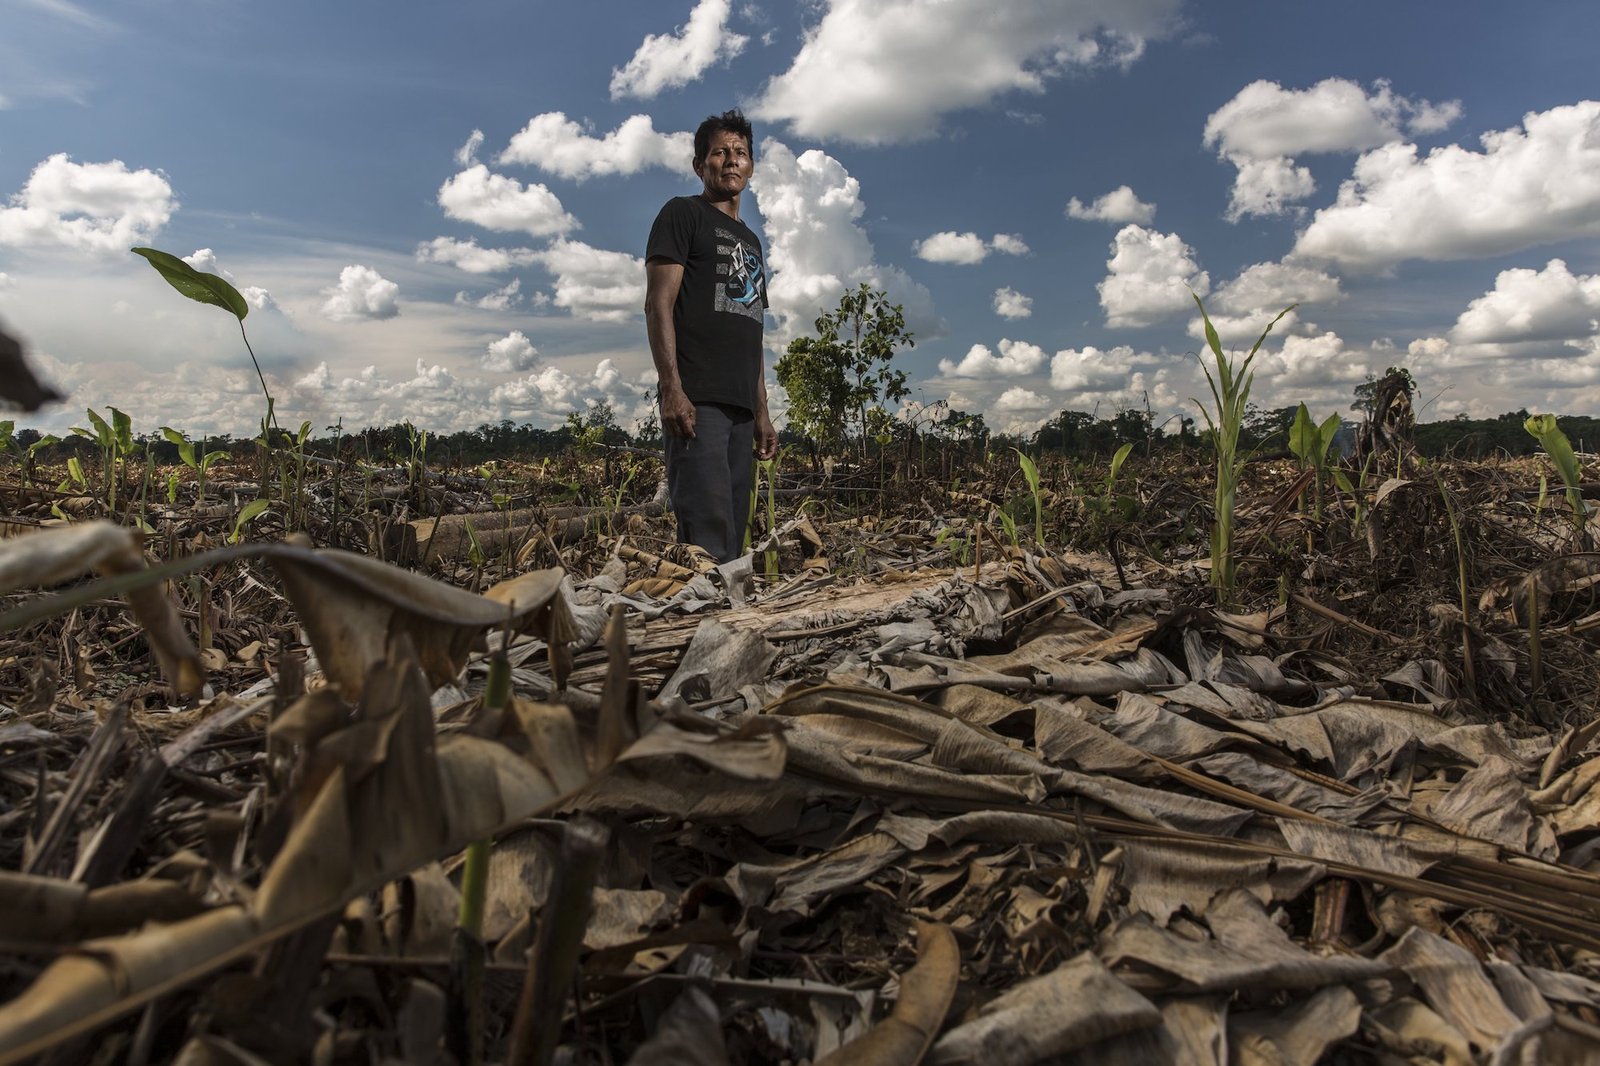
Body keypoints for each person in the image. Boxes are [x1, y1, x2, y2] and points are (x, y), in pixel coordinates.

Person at [644, 109, 778, 564]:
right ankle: (697, 627)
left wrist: (762, 412)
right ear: (700, 164)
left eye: (741, 153)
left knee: (734, 536)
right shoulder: (683, 215)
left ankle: (728, 627)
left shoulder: (752, 242)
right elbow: (658, 304)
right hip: (697, 402)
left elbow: (752, 329)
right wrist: (672, 389)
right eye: (720, 152)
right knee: (706, 537)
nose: (731, 160)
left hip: (742, 408)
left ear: (751, 166)